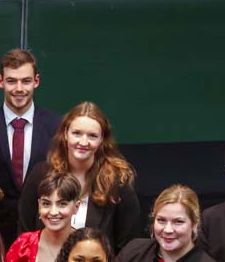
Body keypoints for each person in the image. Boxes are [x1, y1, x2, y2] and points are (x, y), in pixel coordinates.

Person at [19, 102, 140, 252]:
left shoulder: (118, 181)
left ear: (102, 139)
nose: (83, 142)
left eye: (92, 136)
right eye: (77, 133)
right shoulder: (40, 175)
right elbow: (24, 234)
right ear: (65, 134)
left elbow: (129, 247)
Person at [0, 49, 61, 243]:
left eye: (25, 81)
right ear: (0, 81)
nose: (18, 88)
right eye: (11, 81)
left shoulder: (56, 126)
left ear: (36, 81)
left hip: (43, 230)